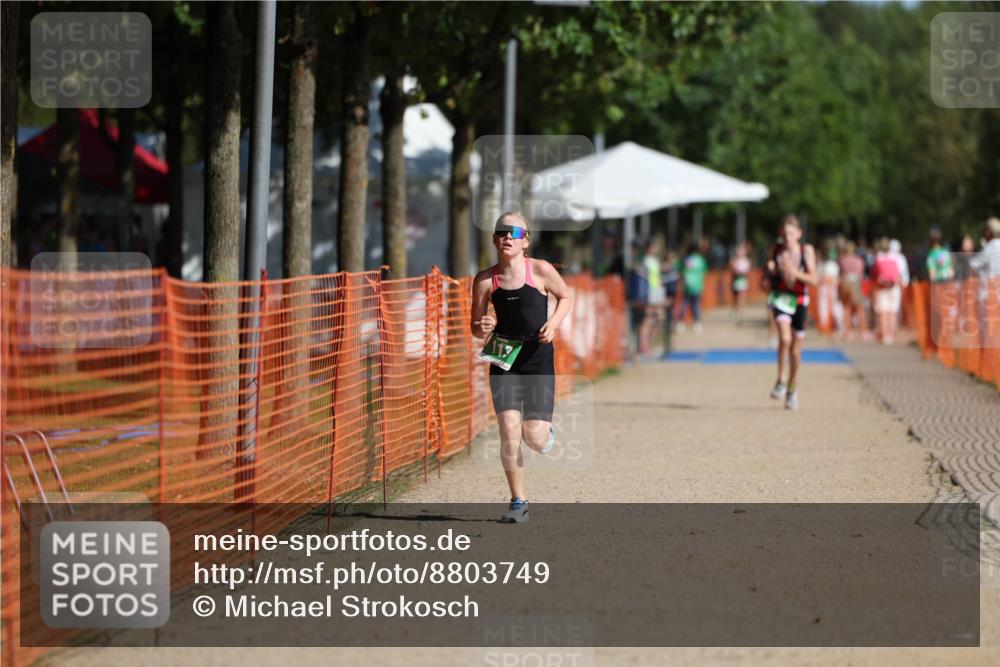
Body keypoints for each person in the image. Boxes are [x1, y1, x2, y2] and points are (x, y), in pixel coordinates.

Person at [471, 212, 574, 524]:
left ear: (525, 240)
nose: (507, 237)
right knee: (508, 431)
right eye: (501, 232)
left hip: (538, 356)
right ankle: (518, 501)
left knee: (534, 438)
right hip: (504, 356)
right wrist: (483, 323)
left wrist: (553, 324)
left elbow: (566, 297)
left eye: (514, 232)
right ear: (494, 239)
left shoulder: (540, 270)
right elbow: (476, 327)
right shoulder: (485, 280)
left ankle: (545, 432)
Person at [766, 215, 817, 410]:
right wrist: (770, 271)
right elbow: (768, 274)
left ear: (799, 234)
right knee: (784, 339)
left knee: (795, 351)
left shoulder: (807, 251)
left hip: (800, 300)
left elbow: (814, 280)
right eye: (785, 233)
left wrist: (794, 272)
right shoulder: (776, 250)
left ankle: (792, 388)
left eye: (791, 233)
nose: (787, 237)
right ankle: (780, 379)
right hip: (781, 298)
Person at [871, 237, 902, 345]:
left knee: (883, 312)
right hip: (894, 287)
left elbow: (874, 275)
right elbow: (899, 274)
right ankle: (892, 334)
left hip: (882, 287)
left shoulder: (878, 258)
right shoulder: (895, 258)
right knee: (892, 312)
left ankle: (885, 335)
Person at [638, 238, 665, 356]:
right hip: (649, 294)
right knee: (648, 320)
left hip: (656, 292)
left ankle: (649, 343)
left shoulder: (655, 261)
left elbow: (657, 277)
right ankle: (644, 347)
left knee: (660, 318)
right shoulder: (645, 261)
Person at [838, 241, 867, 341]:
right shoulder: (859, 260)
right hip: (855, 283)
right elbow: (861, 274)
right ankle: (863, 331)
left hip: (845, 283)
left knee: (847, 308)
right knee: (859, 308)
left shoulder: (842, 260)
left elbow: (841, 273)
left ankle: (848, 332)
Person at [676, 244, 707, 333]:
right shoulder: (701, 260)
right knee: (696, 306)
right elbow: (705, 272)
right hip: (698, 286)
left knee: (685, 304)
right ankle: (697, 324)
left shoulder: (686, 259)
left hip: (687, 286)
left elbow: (679, 270)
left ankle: (681, 323)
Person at [729, 242, 751, 325]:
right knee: (735, 299)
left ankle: (741, 316)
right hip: (735, 282)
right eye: (738, 251)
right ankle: (736, 313)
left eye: (741, 251)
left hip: (743, 282)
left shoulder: (746, 261)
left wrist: (740, 272)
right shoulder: (734, 261)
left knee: (741, 299)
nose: (739, 252)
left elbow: (746, 272)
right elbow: (732, 271)